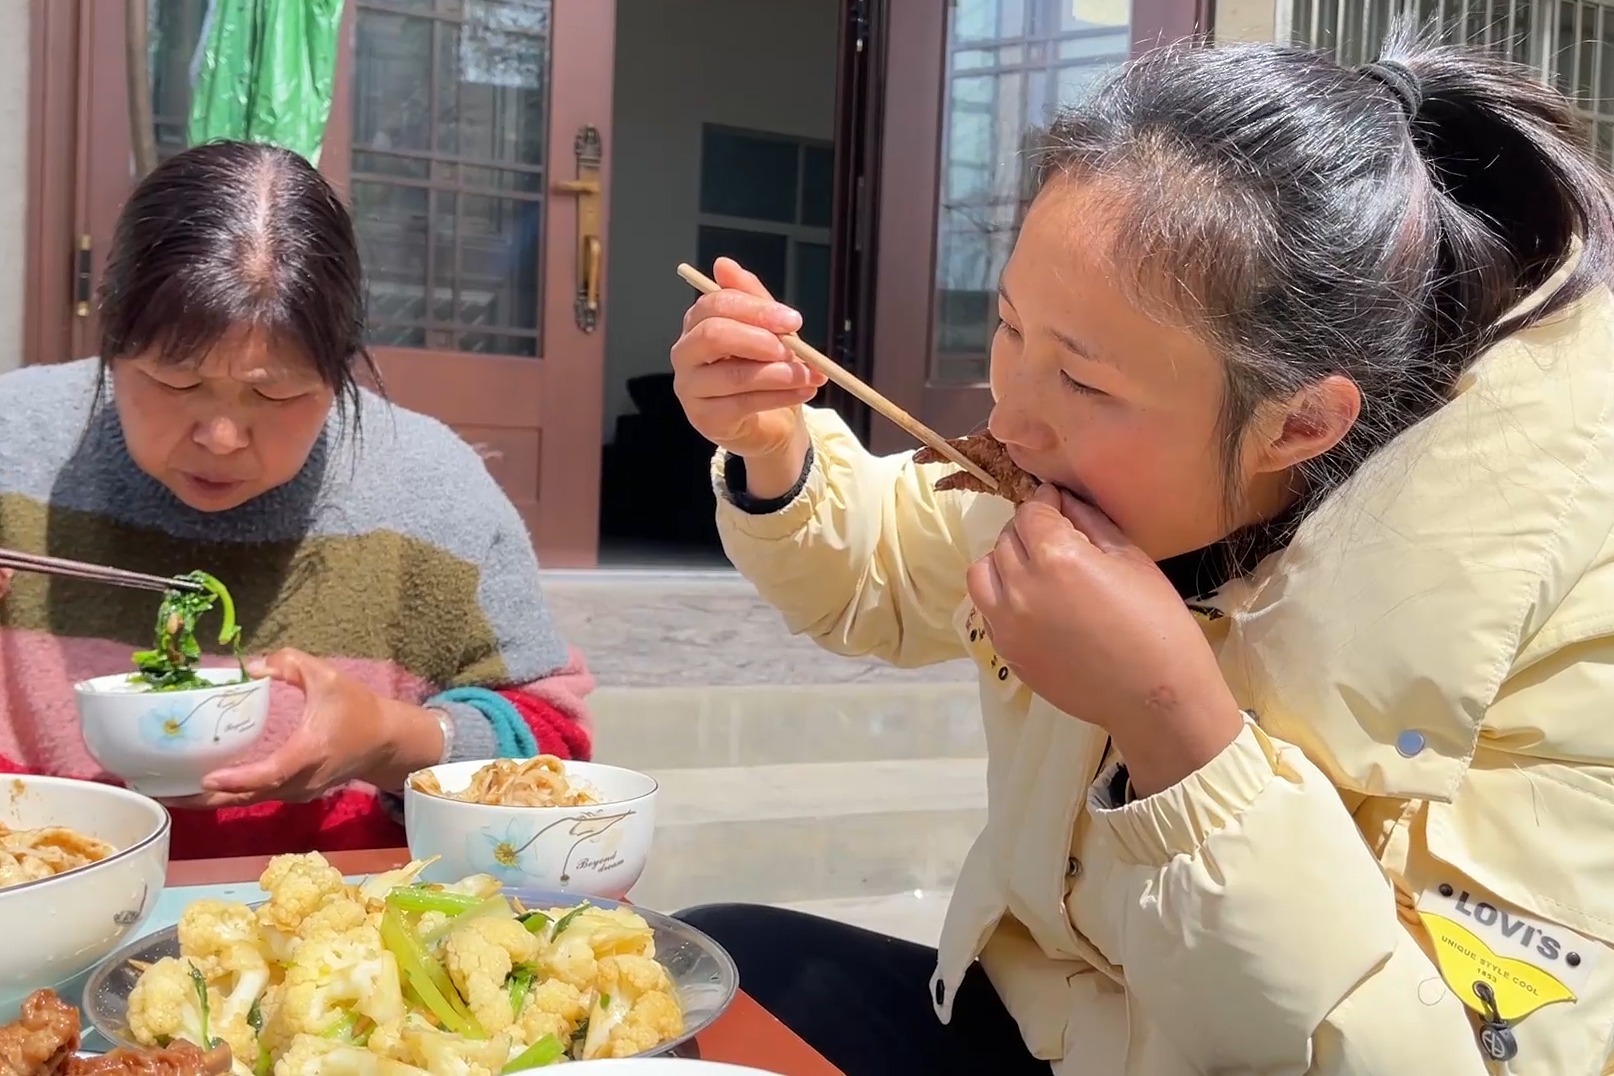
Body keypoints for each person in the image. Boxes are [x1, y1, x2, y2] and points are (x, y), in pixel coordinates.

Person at [668, 33, 1614, 1076]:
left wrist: (1178, 725)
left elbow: (1439, 1053)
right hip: (1052, 1025)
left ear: (1301, 425)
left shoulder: (1559, 599)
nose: (1012, 416)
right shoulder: (1065, 470)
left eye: (1083, 380)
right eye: (1009, 325)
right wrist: (776, 449)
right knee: (705, 974)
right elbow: (884, 567)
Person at [0, 140, 592, 859]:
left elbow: (554, 745)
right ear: (112, 343)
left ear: (341, 372)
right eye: (177, 383)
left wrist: (388, 740)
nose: (220, 436)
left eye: (273, 392)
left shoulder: (433, 491)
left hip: (339, 941)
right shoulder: (15, 447)